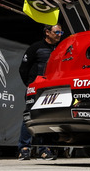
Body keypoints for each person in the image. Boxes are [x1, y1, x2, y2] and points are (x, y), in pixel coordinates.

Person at [17, 24, 64, 160]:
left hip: (54, 89)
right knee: (30, 116)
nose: (60, 34)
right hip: (36, 88)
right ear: (47, 32)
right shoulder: (36, 47)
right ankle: (24, 149)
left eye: (61, 32)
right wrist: (30, 84)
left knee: (49, 118)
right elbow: (23, 69)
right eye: (57, 32)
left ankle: (44, 150)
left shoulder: (61, 49)